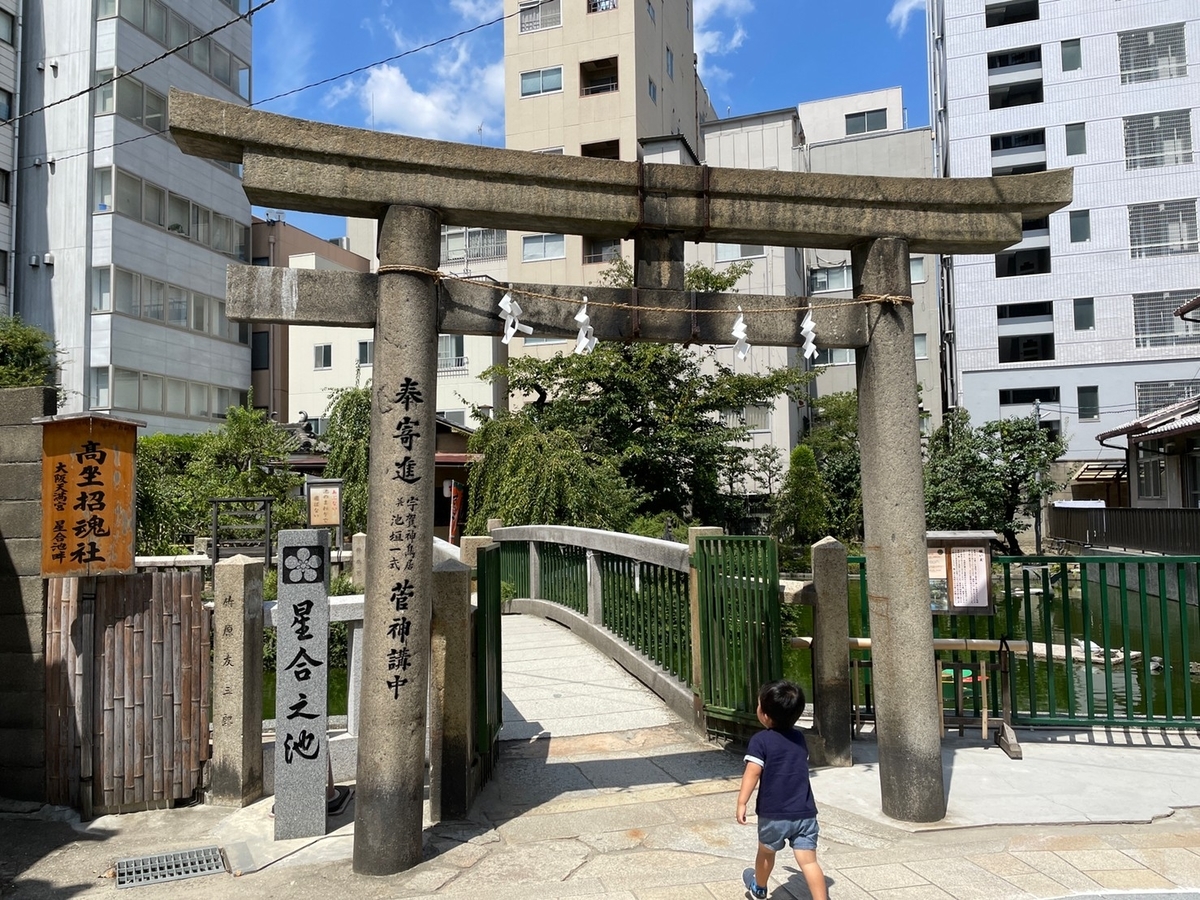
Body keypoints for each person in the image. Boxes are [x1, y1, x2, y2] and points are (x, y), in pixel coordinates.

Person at [735, 680, 828, 900]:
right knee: (809, 861)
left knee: (766, 852)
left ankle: (759, 887)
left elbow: (753, 772)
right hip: (804, 812)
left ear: (765, 715)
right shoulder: (799, 738)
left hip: (773, 814)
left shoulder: (761, 741)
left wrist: (742, 802)